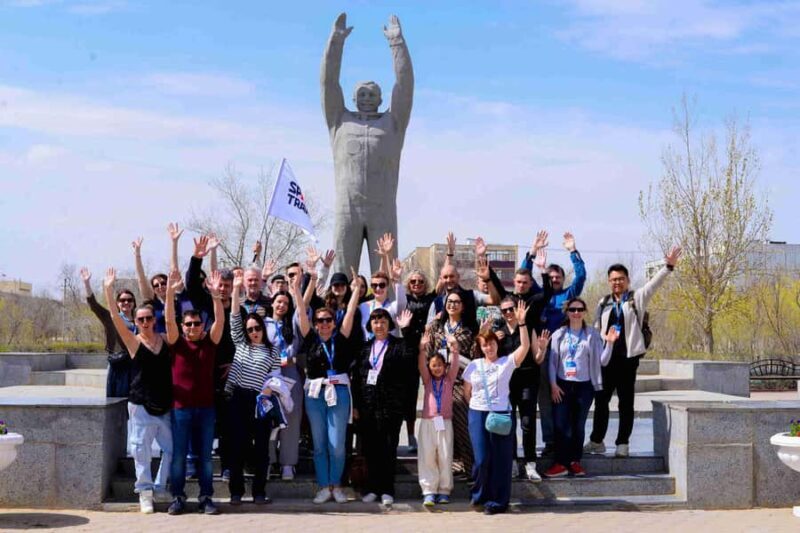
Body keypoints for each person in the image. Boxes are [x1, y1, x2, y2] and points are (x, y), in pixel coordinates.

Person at [322, 12, 414, 274]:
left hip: (382, 209)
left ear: (381, 98)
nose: (366, 97)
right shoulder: (339, 122)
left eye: (372, 94)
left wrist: (396, 43)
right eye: (361, 93)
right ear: (352, 98)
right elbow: (328, 82)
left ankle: (387, 315)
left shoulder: (392, 124)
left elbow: (405, 86)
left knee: (386, 277)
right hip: (347, 209)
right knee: (341, 276)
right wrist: (336, 41)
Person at [585, 246, 682, 458]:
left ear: (627, 280)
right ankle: (597, 440)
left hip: (628, 361)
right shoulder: (603, 303)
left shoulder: (636, 298)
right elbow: (595, 330)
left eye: (620, 279)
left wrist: (668, 267)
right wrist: (603, 340)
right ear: (609, 282)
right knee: (601, 401)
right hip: (606, 360)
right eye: (613, 279)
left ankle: (622, 443)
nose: (617, 282)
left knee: (625, 403)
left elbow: (653, 285)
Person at [103, 268, 173, 515]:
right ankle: (144, 493)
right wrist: (108, 289)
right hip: (140, 404)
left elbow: (174, 323)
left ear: (155, 319)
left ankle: (160, 486)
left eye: (148, 318)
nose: (144, 322)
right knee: (141, 451)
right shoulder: (133, 342)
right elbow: (113, 316)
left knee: (171, 449)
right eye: (140, 319)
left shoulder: (165, 339)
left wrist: (172, 294)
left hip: (164, 403)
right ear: (136, 322)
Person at [295, 267, 360, 504]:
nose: (323, 324)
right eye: (319, 321)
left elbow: (351, 311)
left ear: (334, 322)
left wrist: (357, 289)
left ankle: (337, 485)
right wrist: (300, 287)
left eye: (327, 320)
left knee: (337, 444)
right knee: (319, 443)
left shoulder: (341, 339)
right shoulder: (310, 339)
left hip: (339, 392)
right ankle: (323, 486)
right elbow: (301, 311)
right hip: (315, 394)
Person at [163, 270, 225, 515]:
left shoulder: (210, 342)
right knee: (179, 457)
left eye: (197, 323)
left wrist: (216, 296)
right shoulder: (176, 343)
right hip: (180, 410)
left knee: (206, 458)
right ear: (183, 326)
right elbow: (168, 321)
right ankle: (178, 497)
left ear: (202, 325)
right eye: (188, 324)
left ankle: (206, 497)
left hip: (206, 409)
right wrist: (169, 293)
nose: (192, 327)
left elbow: (220, 322)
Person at [462, 300, 531, 515]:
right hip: (478, 414)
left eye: (491, 344)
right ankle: (479, 496)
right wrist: (476, 407)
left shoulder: (506, 363)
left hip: (501, 414)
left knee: (501, 460)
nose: (488, 347)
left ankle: (499, 502)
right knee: (481, 459)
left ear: (496, 345)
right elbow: (467, 391)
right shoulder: (474, 365)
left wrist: (522, 324)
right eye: (484, 344)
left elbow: (526, 347)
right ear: (480, 347)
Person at [224, 269, 282, 505]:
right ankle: (236, 492)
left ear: (262, 328)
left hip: (261, 401)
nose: (254, 332)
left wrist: (268, 390)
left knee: (261, 451)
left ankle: (259, 491)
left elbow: (276, 377)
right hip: (238, 399)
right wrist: (236, 288)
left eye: (257, 328)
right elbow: (234, 317)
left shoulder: (272, 350)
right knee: (237, 447)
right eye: (250, 330)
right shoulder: (240, 343)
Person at [544, 298, 618, 478]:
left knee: (578, 425)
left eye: (579, 310)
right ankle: (560, 463)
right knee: (561, 425)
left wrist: (609, 343)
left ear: (584, 312)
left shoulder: (592, 334)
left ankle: (575, 462)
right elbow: (553, 363)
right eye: (572, 310)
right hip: (562, 384)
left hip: (584, 387)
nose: (576, 313)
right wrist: (553, 385)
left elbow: (603, 361)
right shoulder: (559, 334)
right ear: (567, 312)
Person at [351, 308, 416, 506]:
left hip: (391, 406)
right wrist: (356, 405)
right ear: (370, 325)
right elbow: (357, 378)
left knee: (388, 448)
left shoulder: (398, 345)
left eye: (383, 322)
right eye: (375, 322)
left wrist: (406, 329)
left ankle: (387, 489)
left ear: (389, 325)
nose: (379, 325)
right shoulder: (364, 347)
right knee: (371, 449)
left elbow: (411, 355)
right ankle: (371, 488)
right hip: (368, 405)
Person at [186, 235, 236, 480]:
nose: (223, 289)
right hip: (203, 372)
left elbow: (245, 341)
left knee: (227, 424)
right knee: (199, 420)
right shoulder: (205, 304)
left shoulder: (240, 309)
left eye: (227, 286)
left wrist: (234, 365)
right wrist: (197, 258)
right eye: (221, 285)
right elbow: (191, 284)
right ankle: (195, 464)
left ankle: (227, 466)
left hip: (229, 375)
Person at [267, 254, 319, 481]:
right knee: (268, 422)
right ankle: (268, 461)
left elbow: (303, 311)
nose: (282, 305)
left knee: (291, 420)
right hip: (268, 377)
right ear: (272, 302)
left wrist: (298, 289)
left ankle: (288, 463)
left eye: (285, 303)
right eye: (279, 302)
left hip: (290, 376)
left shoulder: (294, 323)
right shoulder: (262, 323)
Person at [425, 291, 475, 476]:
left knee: (462, 427)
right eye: (449, 301)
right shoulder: (437, 328)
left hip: (460, 383)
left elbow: (474, 358)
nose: (452, 305)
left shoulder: (468, 330)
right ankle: (449, 466)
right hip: (439, 384)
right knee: (441, 427)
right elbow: (429, 354)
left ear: (462, 306)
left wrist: (455, 351)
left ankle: (470, 470)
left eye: (456, 302)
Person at [493, 296, 541, 482]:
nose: (508, 313)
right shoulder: (499, 332)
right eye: (504, 310)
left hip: (528, 381)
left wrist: (542, 350)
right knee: (509, 424)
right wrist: (491, 338)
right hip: (507, 384)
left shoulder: (528, 328)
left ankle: (530, 463)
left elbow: (537, 358)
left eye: (511, 309)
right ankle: (511, 461)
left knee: (528, 423)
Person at [416, 327, 460, 507]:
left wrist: (454, 348)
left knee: (445, 455)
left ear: (445, 366)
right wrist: (422, 349)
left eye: (440, 365)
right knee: (427, 456)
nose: (436, 368)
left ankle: (443, 490)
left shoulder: (449, 379)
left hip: (445, 423)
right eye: (433, 365)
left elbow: (455, 364)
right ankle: (429, 491)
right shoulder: (427, 380)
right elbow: (421, 365)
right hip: (428, 422)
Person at [427, 233, 502, 335]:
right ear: (441, 279)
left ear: (458, 277)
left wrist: (487, 279)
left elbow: (495, 300)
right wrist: (435, 320)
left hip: (468, 347)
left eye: (452, 276)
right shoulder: (436, 303)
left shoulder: (471, 295)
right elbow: (428, 330)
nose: (449, 280)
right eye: (445, 277)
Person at [80, 267, 135, 398]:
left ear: (134, 303)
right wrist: (87, 283)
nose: (126, 302)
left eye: (129, 300)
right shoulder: (111, 318)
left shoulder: (141, 319)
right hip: (117, 364)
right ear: (117, 303)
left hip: (134, 365)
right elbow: (93, 305)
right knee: (116, 401)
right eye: (122, 300)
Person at [401, 269, 437, 454]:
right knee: (409, 395)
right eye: (413, 281)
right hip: (408, 352)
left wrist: (449, 253)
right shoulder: (404, 300)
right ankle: (410, 435)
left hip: (429, 351)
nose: (417, 284)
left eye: (420, 281)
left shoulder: (431, 299)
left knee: (434, 391)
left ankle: (433, 432)